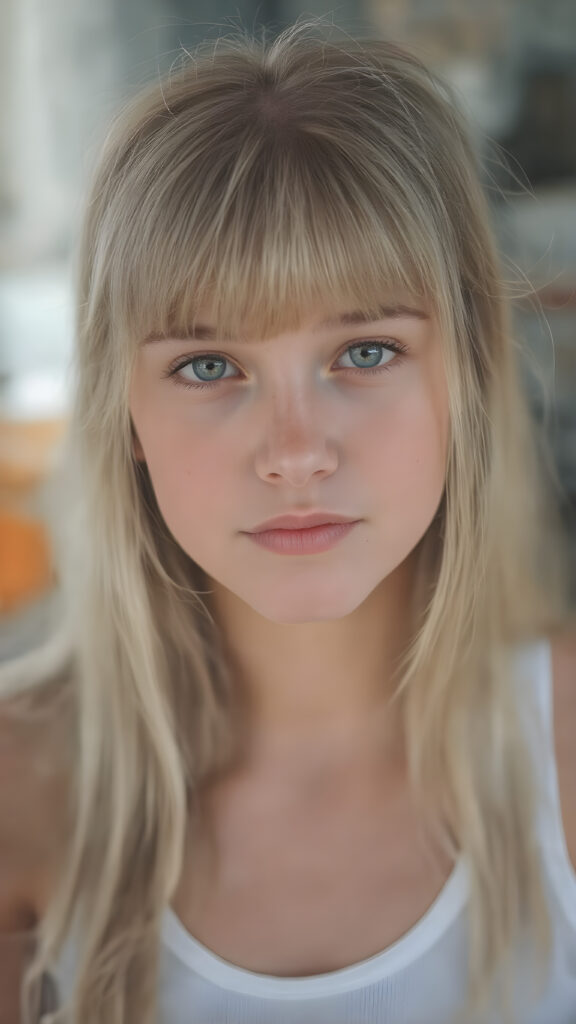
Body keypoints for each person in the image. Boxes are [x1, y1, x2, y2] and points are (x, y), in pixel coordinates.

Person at [0, 17, 575, 1024]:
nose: (297, 450)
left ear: (468, 371)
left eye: (365, 351)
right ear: (122, 412)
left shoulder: (564, 740)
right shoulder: (22, 779)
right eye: (210, 366)